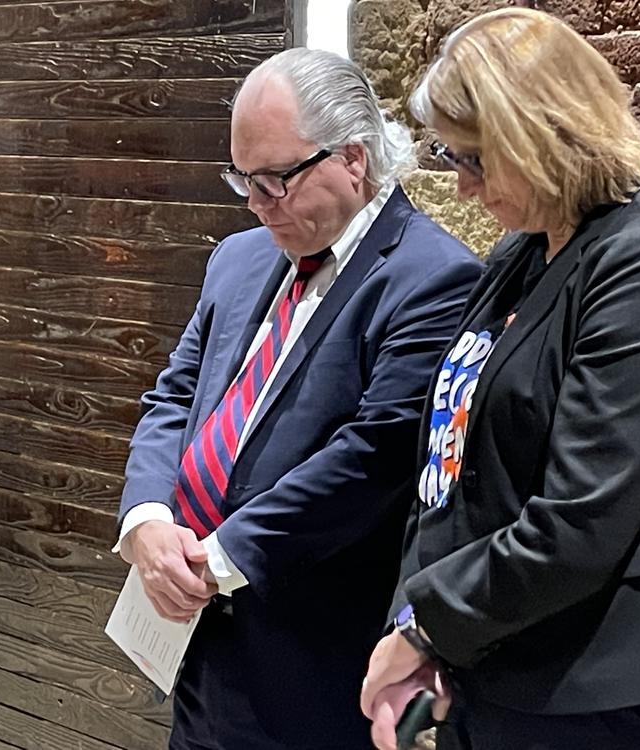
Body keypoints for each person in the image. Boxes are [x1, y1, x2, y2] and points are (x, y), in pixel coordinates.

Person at [360, 8, 640, 749]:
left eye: (472, 159)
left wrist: (432, 626)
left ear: (539, 134)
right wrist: (419, 619)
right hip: (492, 655)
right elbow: (447, 465)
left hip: (585, 683)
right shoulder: (524, 252)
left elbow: (584, 519)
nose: (462, 188)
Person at [114, 47, 482, 750]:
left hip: (307, 653)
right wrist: (149, 517)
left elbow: (376, 456)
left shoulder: (433, 278)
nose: (257, 203)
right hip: (194, 643)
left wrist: (214, 561)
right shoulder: (239, 257)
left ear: (352, 157)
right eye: (242, 179)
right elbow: (175, 394)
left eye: (277, 179)